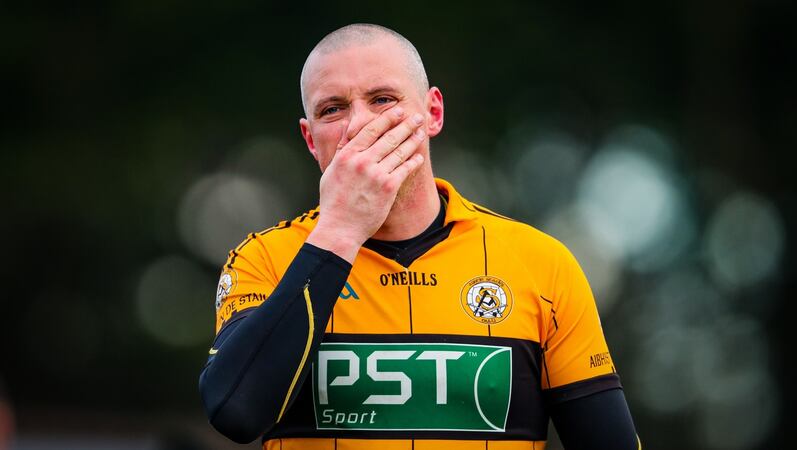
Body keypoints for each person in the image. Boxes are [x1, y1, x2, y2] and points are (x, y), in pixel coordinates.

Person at [199, 23, 641, 450]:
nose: (357, 126)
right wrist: (340, 230)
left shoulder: (541, 264)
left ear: (432, 113)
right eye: (332, 109)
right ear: (310, 139)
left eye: (382, 99)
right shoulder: (264, 259)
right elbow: (236, 412)